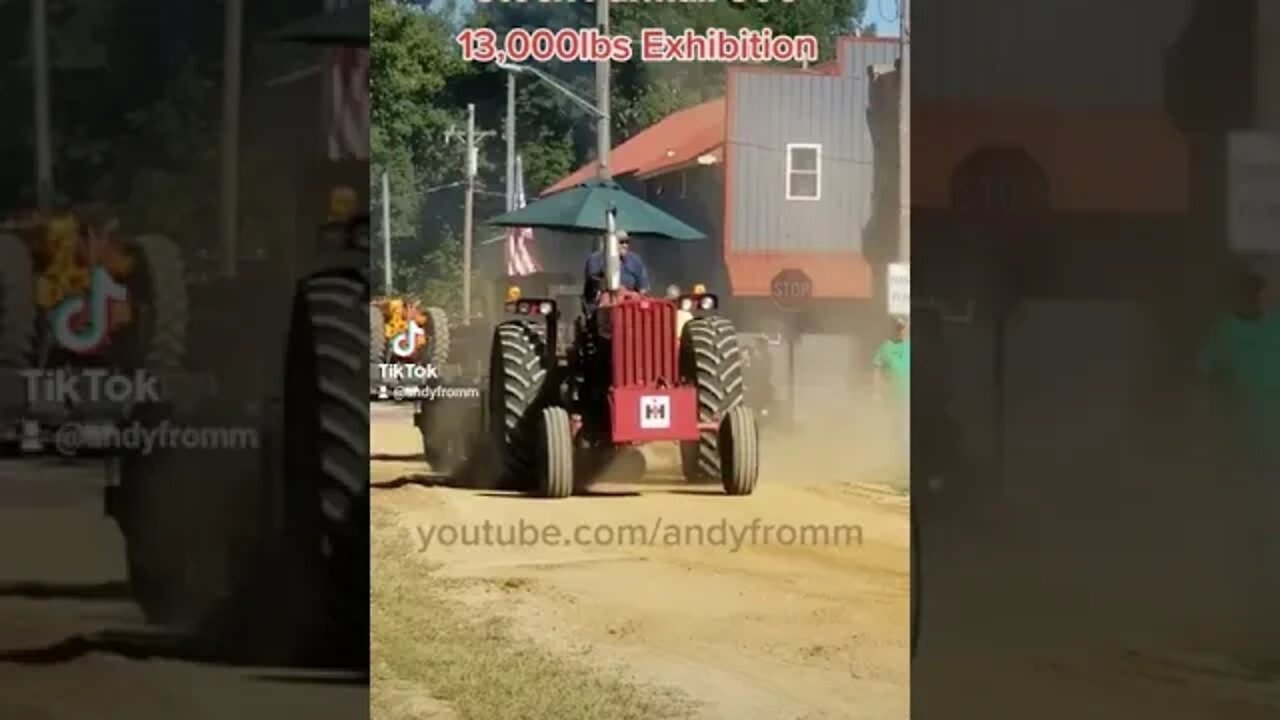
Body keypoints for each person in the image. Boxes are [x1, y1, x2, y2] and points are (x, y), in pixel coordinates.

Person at [1195, 267, 1280, 671]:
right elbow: (1203, 383)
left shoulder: (1276, 328)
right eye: (1245, 290)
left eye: (1257, 290)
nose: (1253, 297)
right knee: (1257, 550)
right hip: (1248, 459)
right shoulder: (1224, 331)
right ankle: (1260, 635)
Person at [872, 316, 911, 483]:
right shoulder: (885, 348)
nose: (900, 330)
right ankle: (900, 466)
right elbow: (877, 369)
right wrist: (876, 392)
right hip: (896, 398)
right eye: (898, 327)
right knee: (899, 432)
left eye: (903, 327)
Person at [583, 230, 649, 311]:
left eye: (627, 242)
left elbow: (643, 288)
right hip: (601, 307)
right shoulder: (596, 259)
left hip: (630, 306)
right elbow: (593, 283)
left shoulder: (635, 261)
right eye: (621, 242)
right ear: (611, 243)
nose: (625, 245)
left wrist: (635, 295)